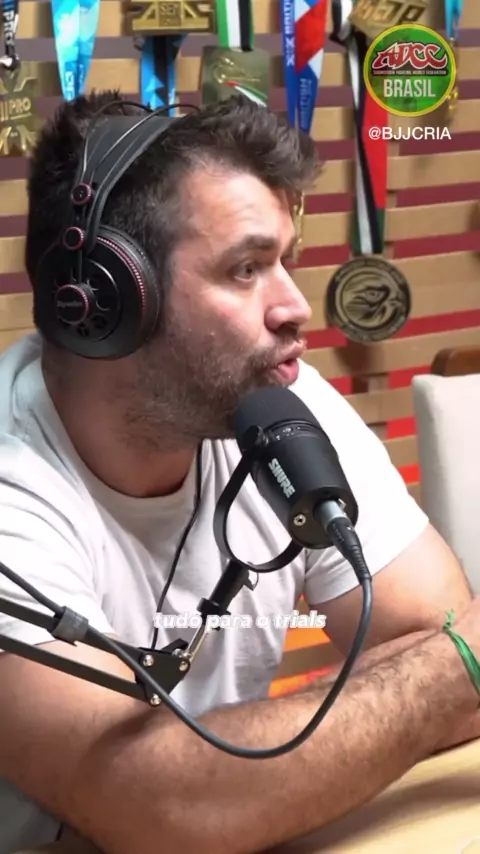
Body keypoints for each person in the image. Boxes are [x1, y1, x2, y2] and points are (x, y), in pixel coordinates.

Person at [0, 90, 478, 854]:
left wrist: (235, 780)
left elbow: (435, 631)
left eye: (287, 261)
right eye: (246, 268)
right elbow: (157, 809)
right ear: (105, 300)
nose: (295, 307)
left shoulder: (278, 400)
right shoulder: (12, 482)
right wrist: (443, 676)